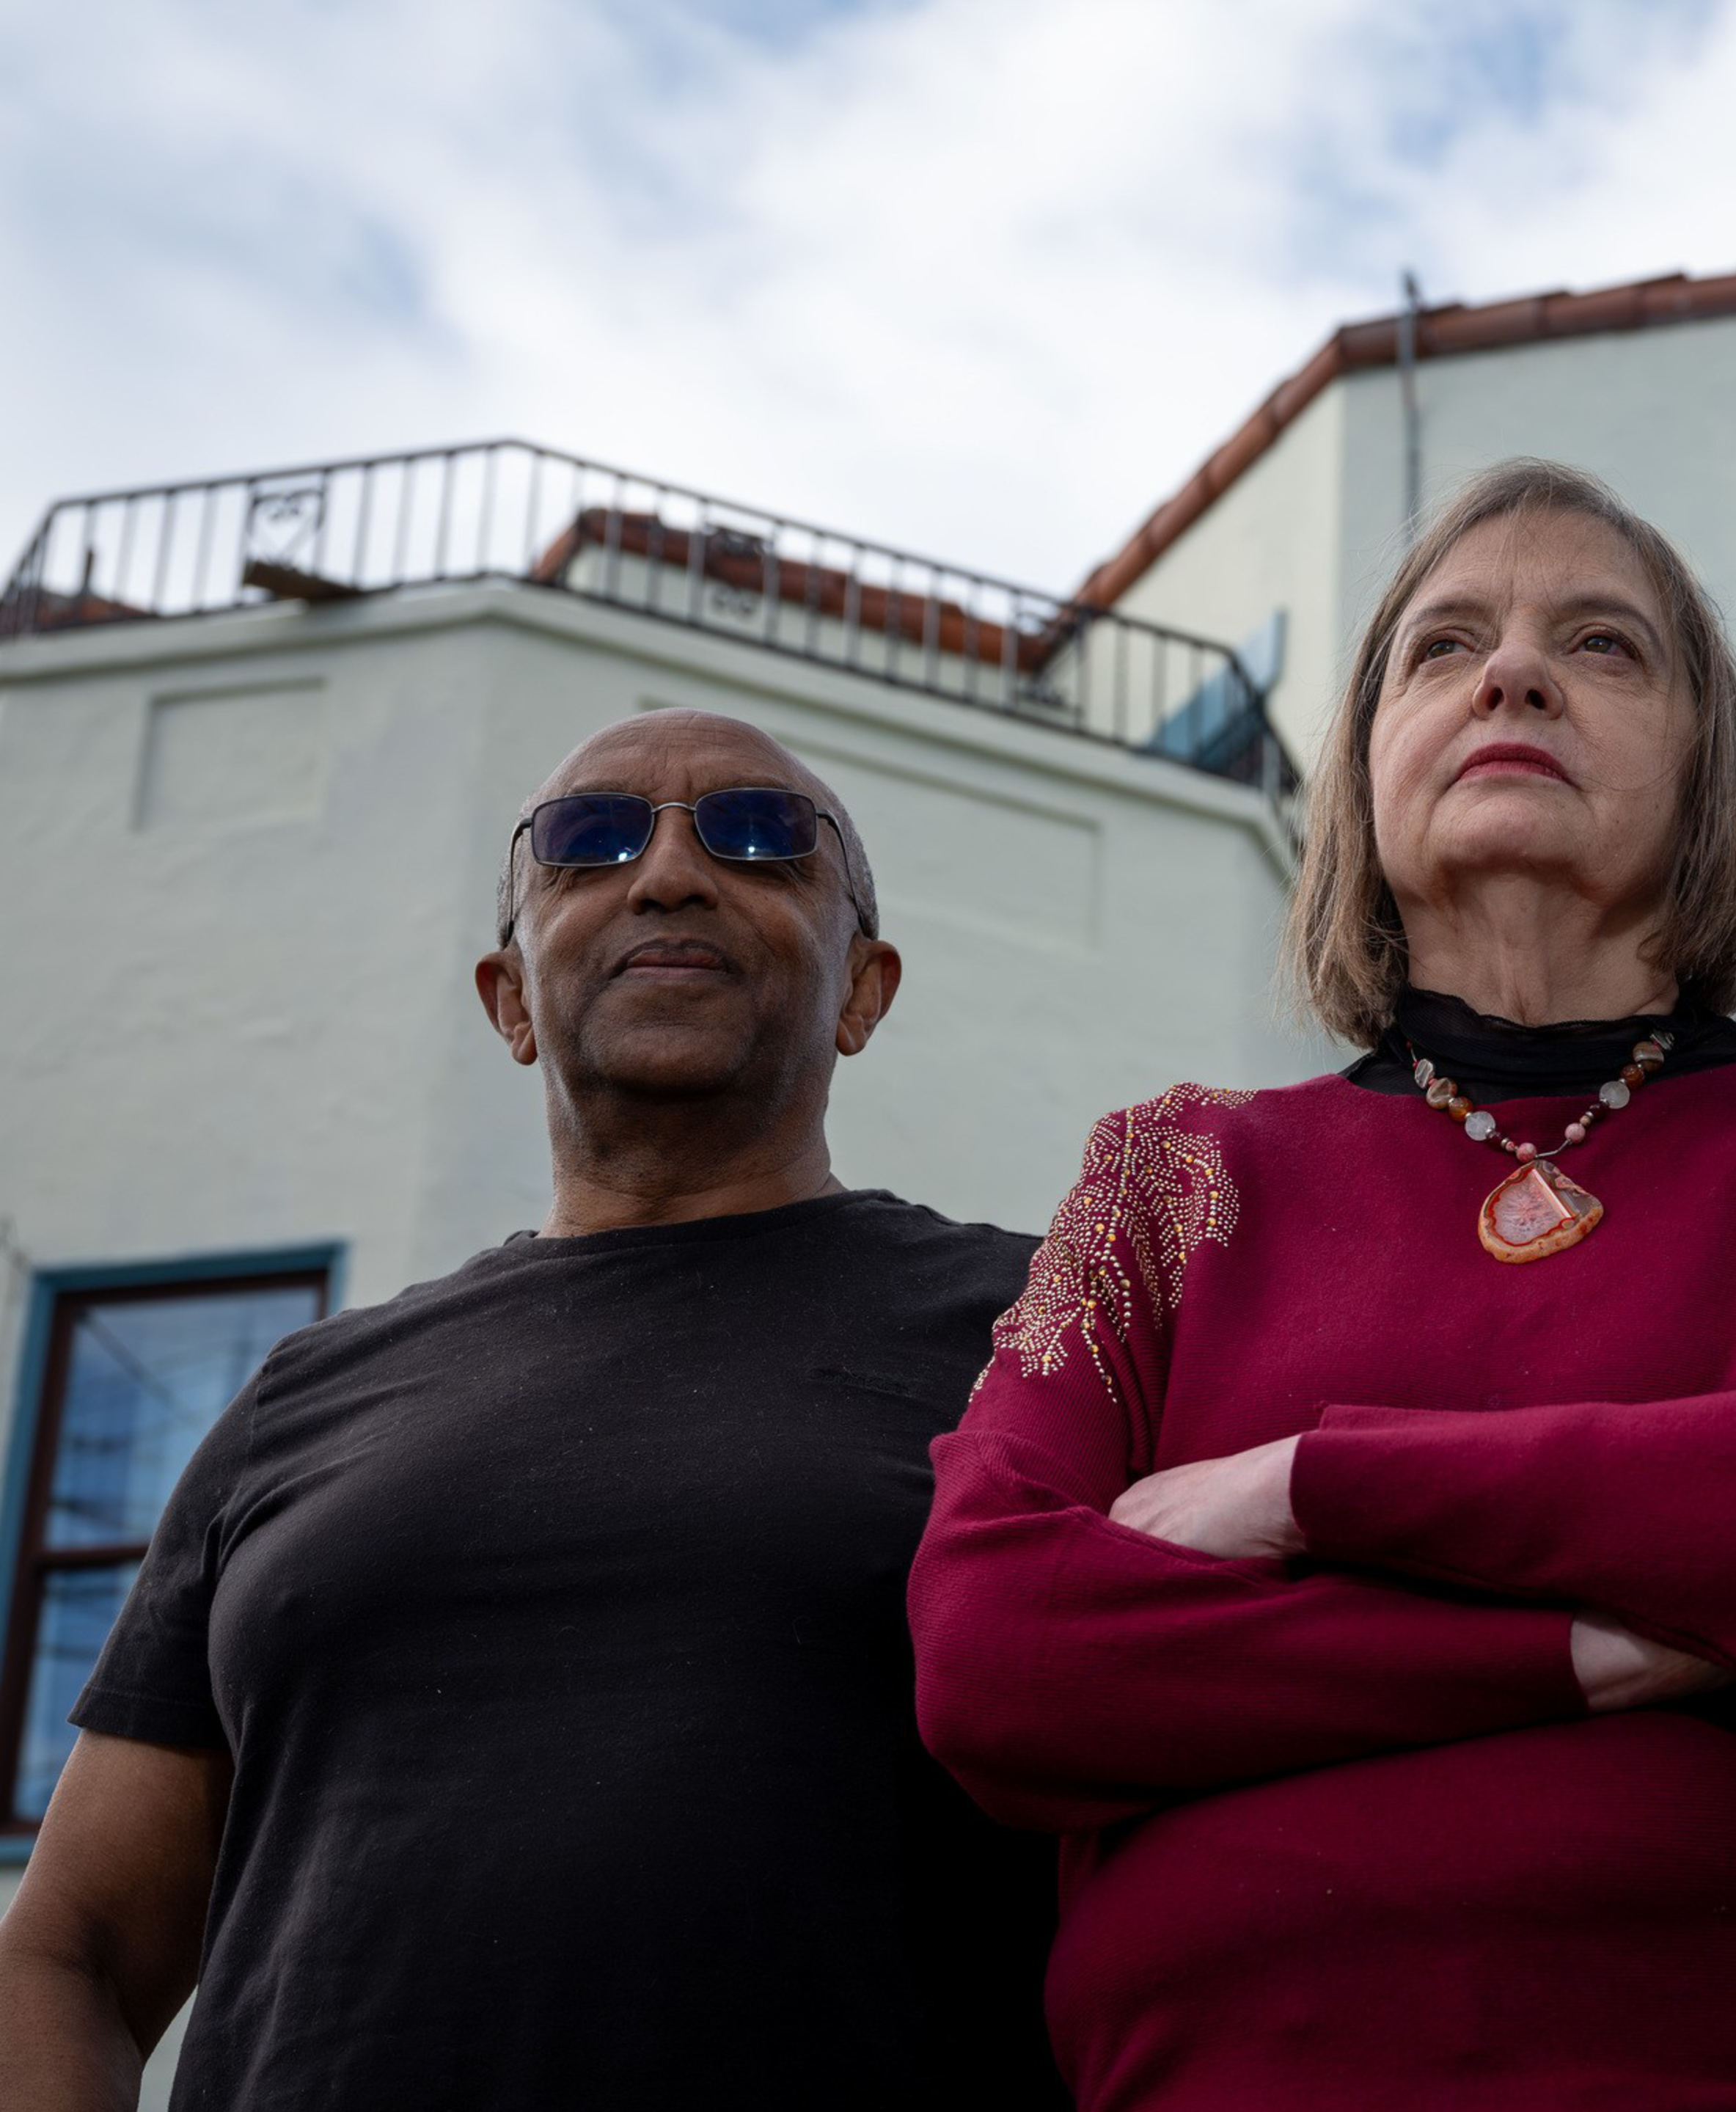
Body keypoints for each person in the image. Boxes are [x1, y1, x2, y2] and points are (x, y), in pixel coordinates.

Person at [910, 460, 1736, 2109]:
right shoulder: (1170, 1182)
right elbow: (1000, 1651)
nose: (1511, 672)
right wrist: (1609, 1639)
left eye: (1601, 644)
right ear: (1368, 763)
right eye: (1444, 645)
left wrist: (1301, 1483)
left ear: (1705, 770)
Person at [0, 711, 1066, 2109]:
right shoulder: (300, 1402)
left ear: (865, 992)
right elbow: (66, 1952)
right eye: (588, 841)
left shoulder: (1047, 1333)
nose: (670, 872)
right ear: (509, 1000)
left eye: (758, 833)